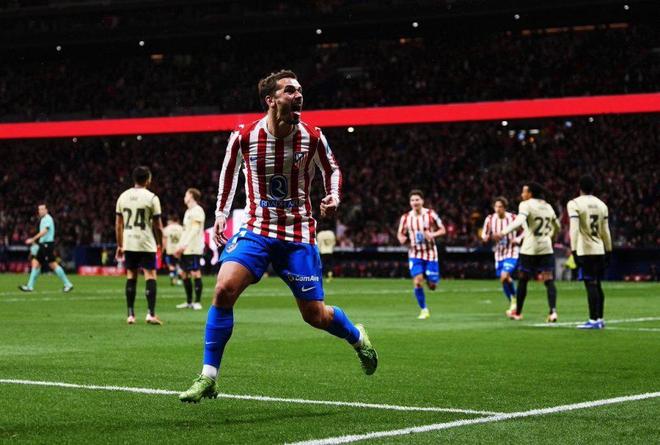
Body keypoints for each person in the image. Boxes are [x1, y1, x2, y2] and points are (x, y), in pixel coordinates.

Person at [179, 70, 377, 403]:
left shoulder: (312, 136)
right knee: (223, 289)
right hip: (256, 230)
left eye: (300, 90)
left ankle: (357, 336)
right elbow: (228, 174)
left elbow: (332, 169)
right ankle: (209, 376)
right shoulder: (245, 136)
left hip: (297, 234)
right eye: (290, 90)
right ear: (271, 100)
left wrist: (333, 196)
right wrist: (221, 215)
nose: (298, 95)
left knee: (315, 315)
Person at [494, 182, 560, 322]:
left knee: (523, 279)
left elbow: (519, 221)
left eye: (524, 191)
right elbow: (557, 226)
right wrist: (551, 237)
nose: (522, 194)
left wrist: (503, 232)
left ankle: (518, 313)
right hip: (546, 247)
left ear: (530, 194)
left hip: (530, 248)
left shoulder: (526, 204)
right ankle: (553, 312)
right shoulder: (548, 206)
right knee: (548, 280)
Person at [115, 166, 164, 325]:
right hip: (146, 242)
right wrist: (160, 243)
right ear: (148, 180)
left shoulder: (123, 197)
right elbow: (158, 226)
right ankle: (150, 314)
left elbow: (118, 224)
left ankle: (130, 315)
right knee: (150, 275)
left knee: (131, 275)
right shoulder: (152, 198)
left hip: (129, 242)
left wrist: (120, 244)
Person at [567, 175, 612, 329]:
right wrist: (609, 250)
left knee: (590, 284)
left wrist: (573, 250)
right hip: (599, 249)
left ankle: (593, 320)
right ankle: (600, 319)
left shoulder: (574, 204)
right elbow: (605, 231)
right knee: (597, 284)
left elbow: (573, 230)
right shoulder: (602, 205)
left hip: (585, 250)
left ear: (579, 187)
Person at [397, 190, 446, 319]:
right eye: (412, 200)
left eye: (417, 200)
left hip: (430, 253)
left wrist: (432, 234)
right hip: (415, 253)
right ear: (410, 202)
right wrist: (402, 238)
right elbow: (400, 233)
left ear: (422, 201)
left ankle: (431, 281)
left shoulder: (431, 214)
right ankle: (424, 309)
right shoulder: (406, 217)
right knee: (418, 282)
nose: (415, 202)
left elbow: (443, 229)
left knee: (432, 286)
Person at [19, 204, 73, 292]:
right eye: (39, 209)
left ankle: (68, 284)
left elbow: (44, 231)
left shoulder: (48, 219)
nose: (40, 211)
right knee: (36, 263)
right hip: (43, 245)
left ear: (46, 210)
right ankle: (30, 286)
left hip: (47, 245)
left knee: (52, 264)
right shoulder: (43, 219)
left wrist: (33, 239)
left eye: (42, 209)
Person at [481, 197, 522, 315]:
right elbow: (484, 235)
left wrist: (518, 239)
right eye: (496, 206)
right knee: (503, 279)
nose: (497, 209)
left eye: (500, 207)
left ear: (504, 208)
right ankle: (513, 302)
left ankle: (514, 301)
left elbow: (526, 229)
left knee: (504, 276)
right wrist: (487, 238)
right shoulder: (490, 219)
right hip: (499, 254)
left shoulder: (513, 218)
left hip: (512, 252)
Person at [175, 188, 206, 310]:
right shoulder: (188, 211)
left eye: (186, 195)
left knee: (195, 272)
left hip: (193, 247)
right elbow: (185, 231)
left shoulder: (198, 210)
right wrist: (180, 246)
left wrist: (185, 244)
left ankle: (197, 302)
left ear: (191, 196)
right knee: (184, 273)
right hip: (185, 248)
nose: (184, 197)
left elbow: (195, 229)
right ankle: (189, 302)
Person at [162, 215, 184, 286]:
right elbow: (184, 239)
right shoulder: (181, 228)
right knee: (179, 265)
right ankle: (179, 280)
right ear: (178, 220)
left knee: (171, 266)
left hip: (170, 250)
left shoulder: (167, 229)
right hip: (179, 250)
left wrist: (163, 249)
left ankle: (172, 280)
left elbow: (164, 240)